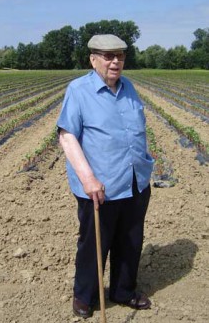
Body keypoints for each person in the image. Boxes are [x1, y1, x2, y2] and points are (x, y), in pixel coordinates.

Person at [57, 34, 154, 319]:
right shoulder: (79, 90)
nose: (115, 62)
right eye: (108, 56)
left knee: (130, 240)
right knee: (93, 244)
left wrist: (144, 161)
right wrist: (87, 178)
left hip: (135, 181)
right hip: (99, 187)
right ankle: (85, 296)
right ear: (93, 59)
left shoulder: (129, 88)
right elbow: (67, 135)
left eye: (120, 56)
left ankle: (123, 290)